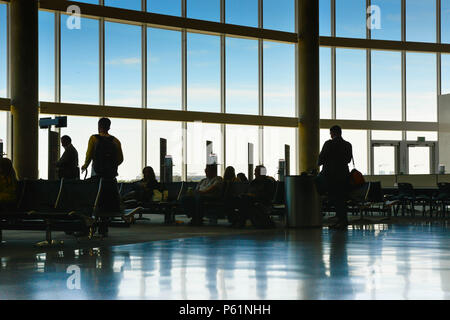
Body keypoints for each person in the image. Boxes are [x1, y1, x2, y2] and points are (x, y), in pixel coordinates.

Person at [81, 118, 124, 237]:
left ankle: (90, 225)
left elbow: (89, 154)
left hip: (97, 173)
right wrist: (110, 166)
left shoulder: (94, 138)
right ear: (109, 127)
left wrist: (85, 166)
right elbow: (120, 159)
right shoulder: (116, 141)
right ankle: (104, 228)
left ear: (99, 126)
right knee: (107, 200)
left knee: (95, 198)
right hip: (110, 176)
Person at [318, 125, 353, 230]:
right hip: (344, 175)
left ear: (333, 133)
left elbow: (321, 159)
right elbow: (348, 160)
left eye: (330, 133)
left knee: (336, 199)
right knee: (342, 199)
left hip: (331, 176)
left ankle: (341, 221)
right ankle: (342, 220)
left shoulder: (329, 144)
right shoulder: (348, 145)